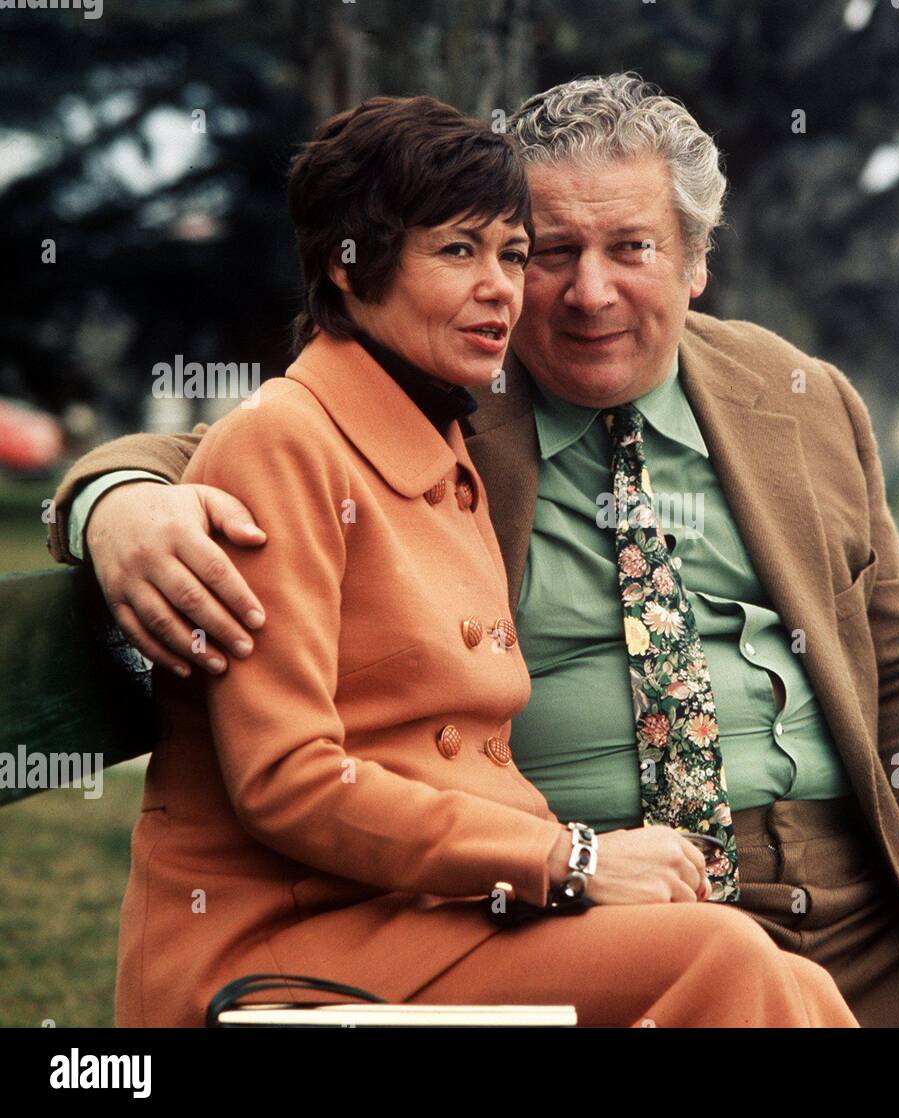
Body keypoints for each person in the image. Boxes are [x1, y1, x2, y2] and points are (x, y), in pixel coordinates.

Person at [49, 75, 899, 1027]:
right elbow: (243, 445)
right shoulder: (439, 391)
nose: (586, 291)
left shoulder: (798, 401)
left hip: (852, 909)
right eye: (549, 251)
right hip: (591, 896)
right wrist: (117, 502)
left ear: (697, 261)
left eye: (632, 248)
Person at [87, 94, 856, 1028]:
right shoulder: (286, 444)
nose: (504, 288)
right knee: (726, 959)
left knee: (795, 984)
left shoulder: (438, 438)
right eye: (459, 251)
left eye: (512, 255)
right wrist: (574, 859)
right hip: (293, 944)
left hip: (431, 918)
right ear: (350, 262)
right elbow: (287, 779)